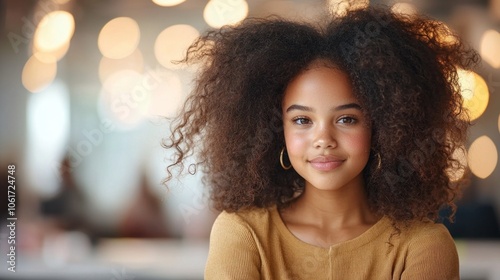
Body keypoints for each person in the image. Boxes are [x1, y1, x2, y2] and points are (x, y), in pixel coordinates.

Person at [163, 4, 479, 279]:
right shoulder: (243, 234)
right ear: (277, 131)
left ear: (383, 127)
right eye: (302, 120)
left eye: (346, 119)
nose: (323, 139)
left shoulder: (423, 245)